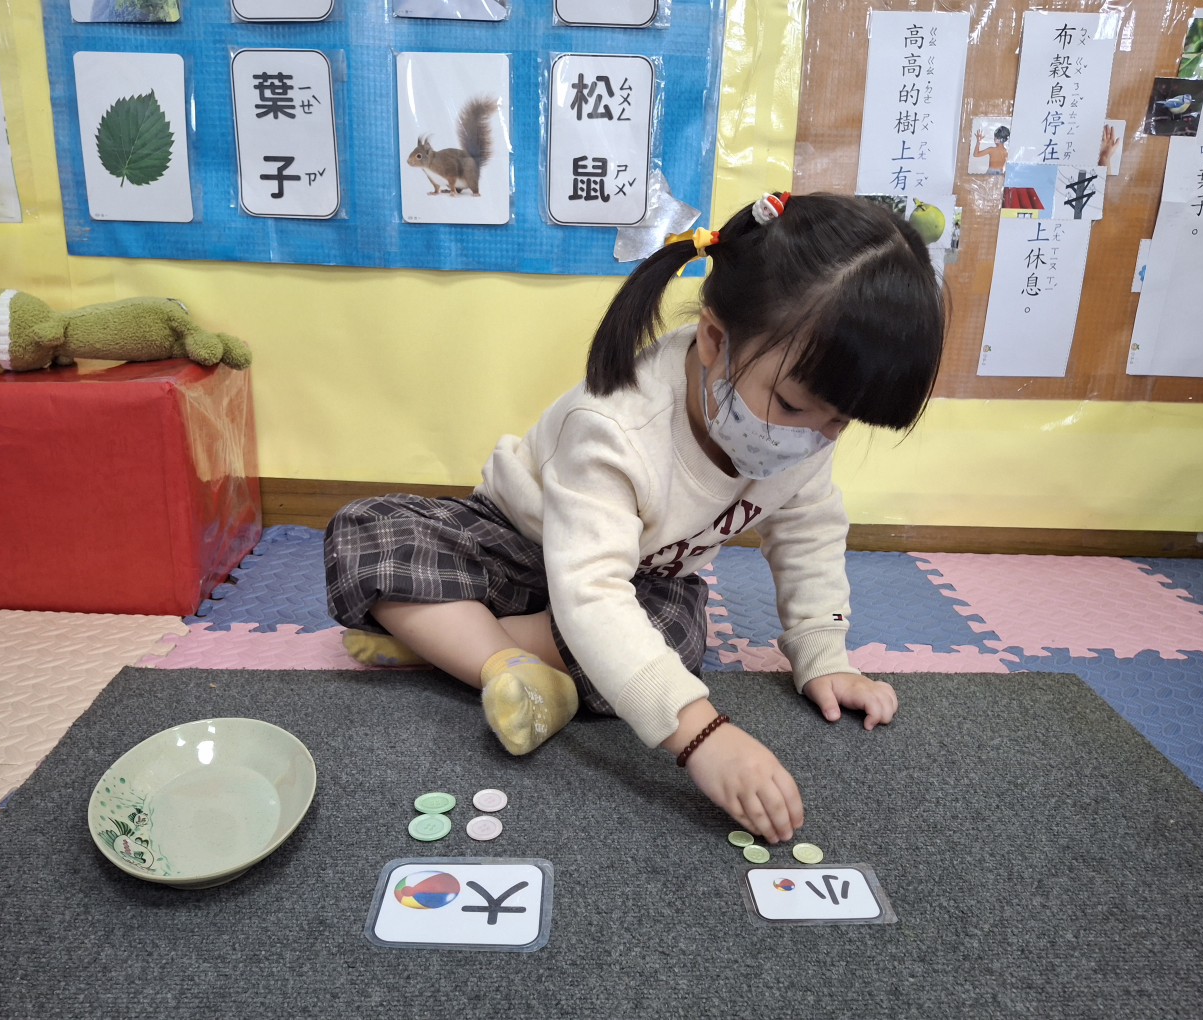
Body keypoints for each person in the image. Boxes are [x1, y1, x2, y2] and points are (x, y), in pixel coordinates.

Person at [325, 192, 946, 845]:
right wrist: (703, 736)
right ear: (715, 340)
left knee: (677, 638)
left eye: (841, 421)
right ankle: (493, 656)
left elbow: (809, 528)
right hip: (514, 543)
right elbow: (588, 591)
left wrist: (823, 654)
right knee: (370, 534)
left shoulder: (805, 435)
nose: (814, 437)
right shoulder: (617, 424)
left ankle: (453, 643)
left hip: (632, 580)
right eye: (793, 406)